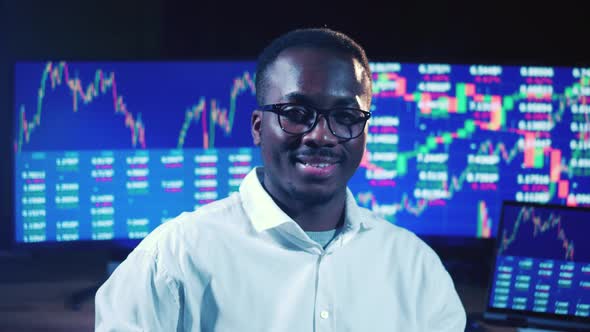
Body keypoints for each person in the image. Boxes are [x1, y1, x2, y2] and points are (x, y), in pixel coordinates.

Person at [95, 28, 466, 331]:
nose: (321, 136)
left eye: (346, 116)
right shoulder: (175, 257)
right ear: (258, 127)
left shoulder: (417, 268)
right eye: (296, 112)